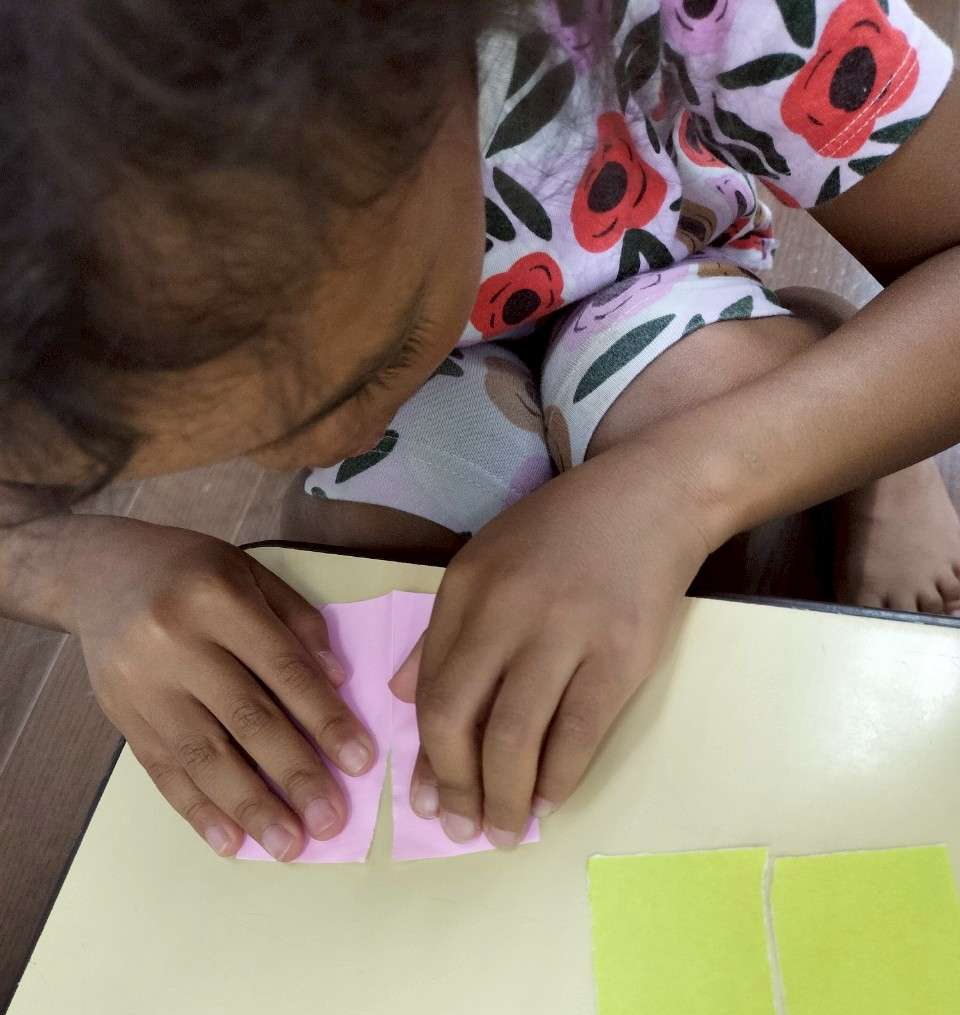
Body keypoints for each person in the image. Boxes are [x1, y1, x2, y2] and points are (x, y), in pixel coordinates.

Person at [1, 0, 957, 859]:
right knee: (370, 555)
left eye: (371, 366)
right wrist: (74, 568)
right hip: (460, 362)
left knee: (701, 410)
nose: (313, 456)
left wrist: (686, 488)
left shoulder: (704, 13)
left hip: (661, 275)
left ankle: (860, 416)